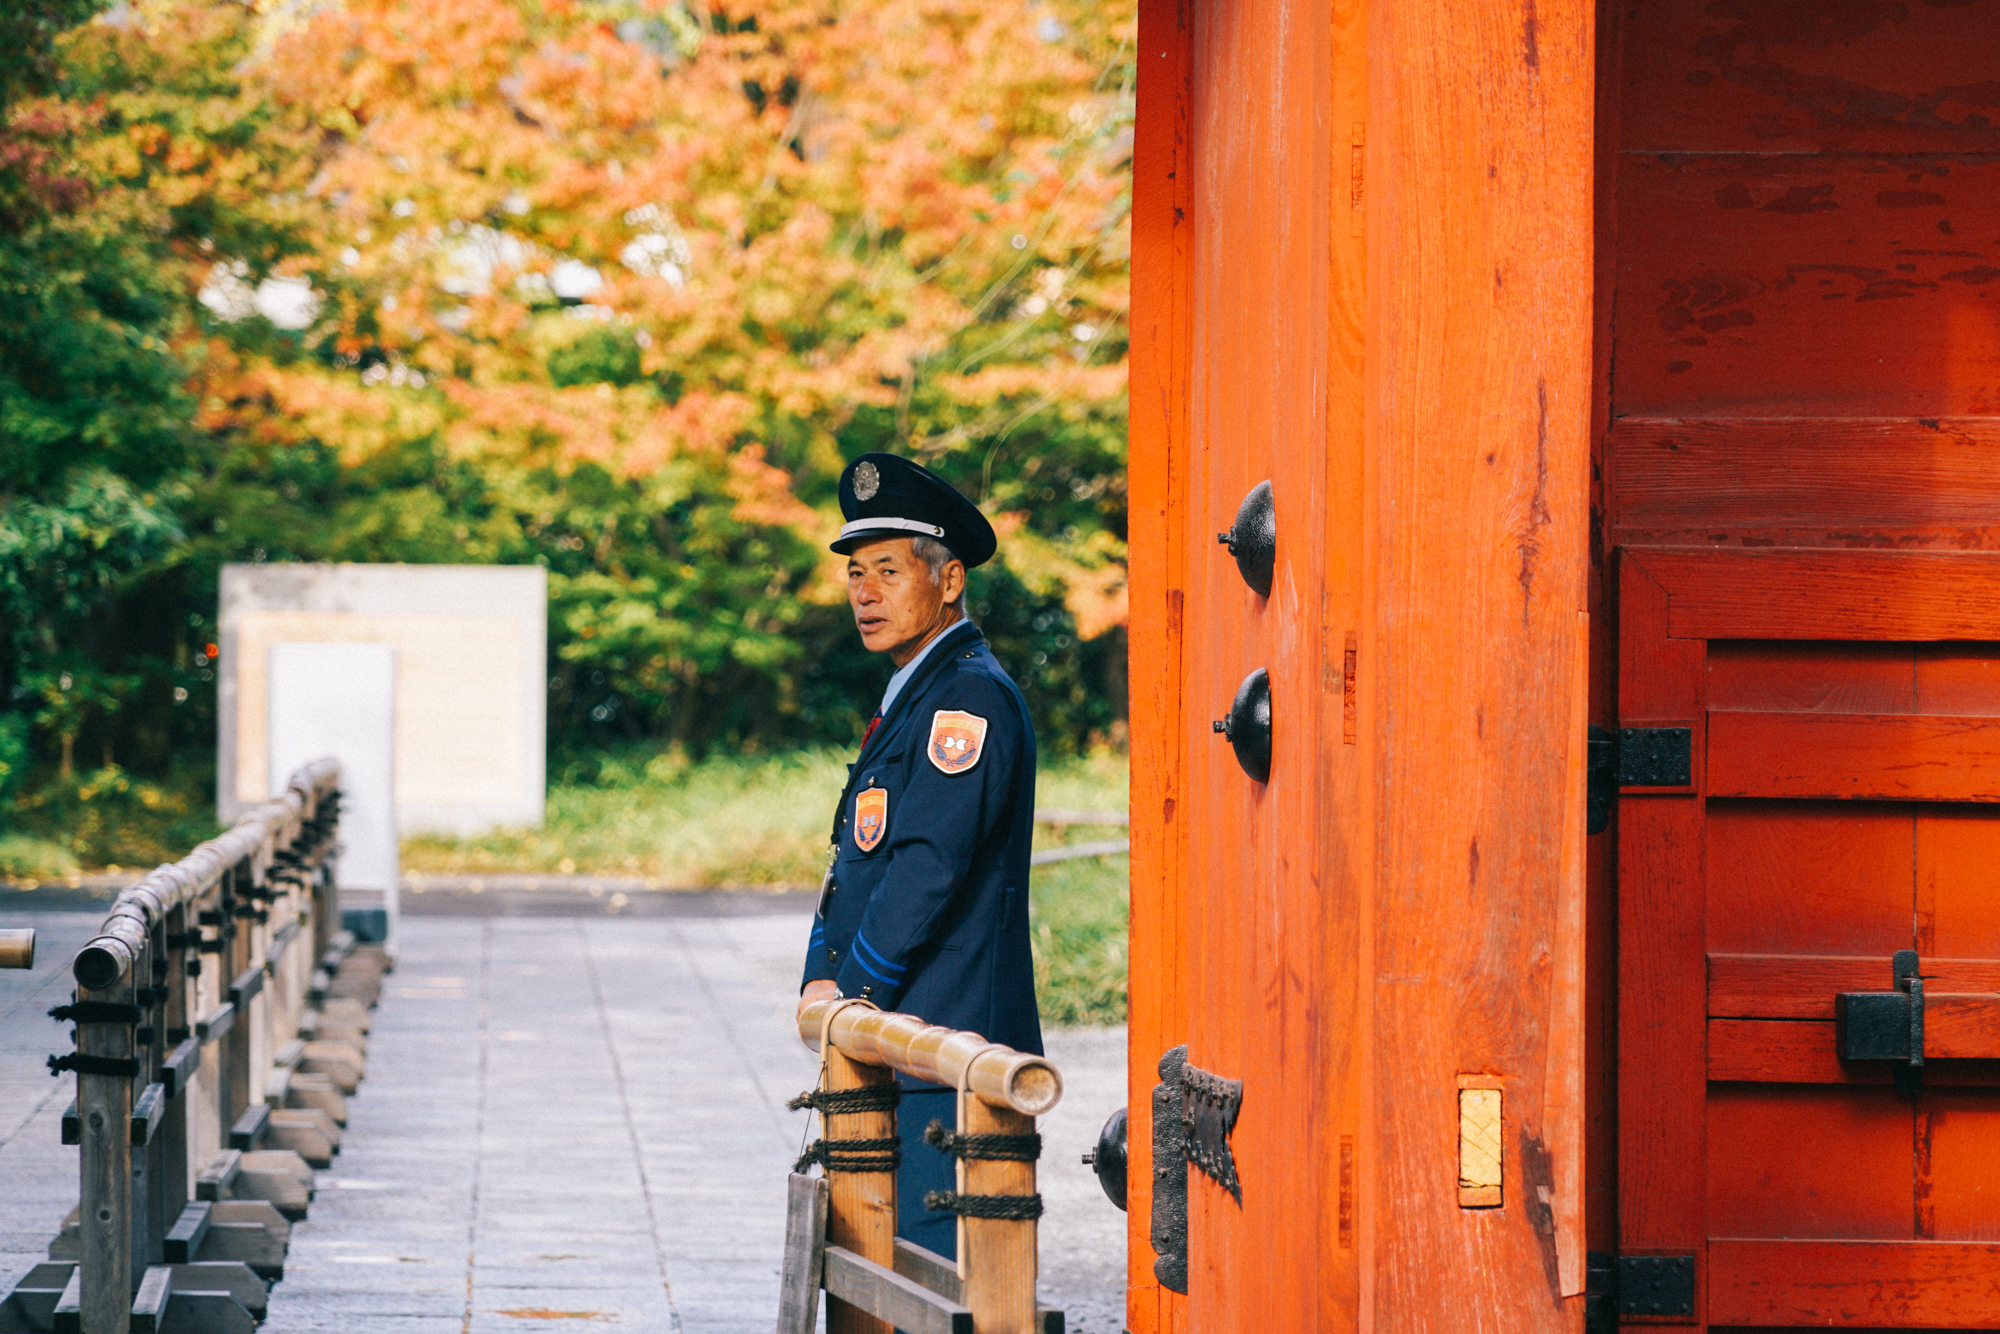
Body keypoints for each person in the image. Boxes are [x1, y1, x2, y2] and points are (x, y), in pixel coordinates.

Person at [797, 451, 1042, 1262]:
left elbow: (927, 868)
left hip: (947, 1043)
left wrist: (853, 995)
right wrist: (820, 978)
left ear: (949, 580)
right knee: (877, 1268)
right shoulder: (914, 691)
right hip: (896, 1035)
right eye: (855, 573)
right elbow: (854, 859)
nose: (865, 593)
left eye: (889, 571)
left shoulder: (967, 696)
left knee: (936, 1274)